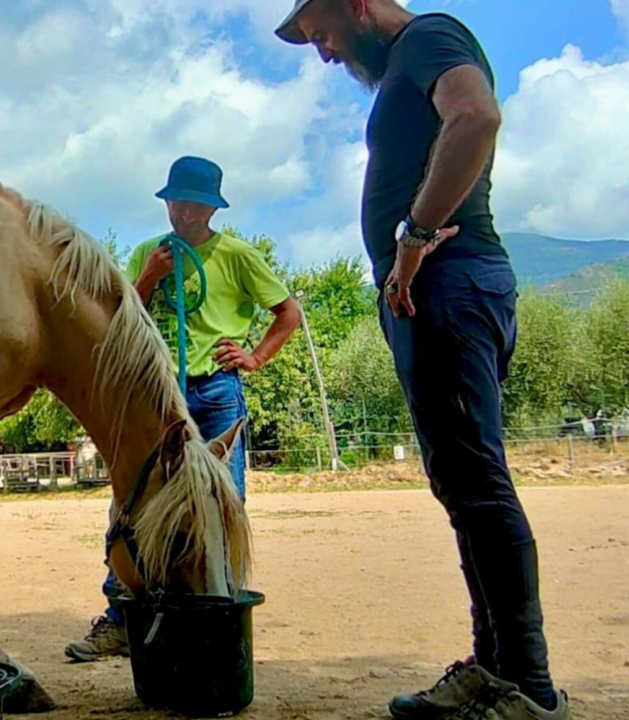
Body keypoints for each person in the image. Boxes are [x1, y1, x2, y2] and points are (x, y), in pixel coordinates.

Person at [274, 2, 569, 719]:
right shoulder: (407, 62)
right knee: (462, 484)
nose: (324, 55)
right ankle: (493, 668)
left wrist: (414, 233)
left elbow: (477, 117)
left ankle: (527, 687)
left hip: (448, 279)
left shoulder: (429, 37)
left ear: (356, 6)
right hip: (433, 291)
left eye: (325, 35)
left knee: (476, 480)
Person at [63, 155, 301, 662]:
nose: (185, 215)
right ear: (168, 203)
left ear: (211, 209)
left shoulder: (237, 255)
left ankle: (221, 617)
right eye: (178, 204)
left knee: (221, 501)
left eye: (196, 206)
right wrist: (147, 277)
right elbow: (118, 319)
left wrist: (255, 355)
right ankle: (121, 619)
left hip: (214, 392)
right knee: (133, 502)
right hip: (156, 396)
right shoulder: (149, 251)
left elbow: (289, 312)